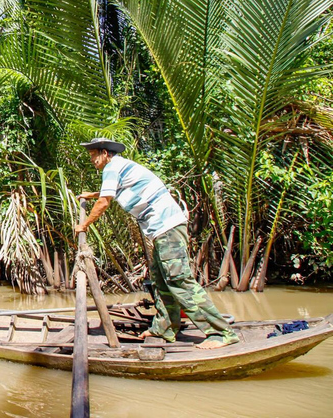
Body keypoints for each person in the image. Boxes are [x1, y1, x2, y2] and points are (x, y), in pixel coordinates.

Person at [74, 137, 239, 350]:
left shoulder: (112, 168)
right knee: (160, 280)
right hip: (163, 231)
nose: (92, 160)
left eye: (94, 155)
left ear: (105, 153)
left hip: (167, 228)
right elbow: (110, 193)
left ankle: (221, 332)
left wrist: (84, 225)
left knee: (179, 280)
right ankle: (164, 328)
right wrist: (93, 194)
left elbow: (105, 201)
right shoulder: (120, 168)